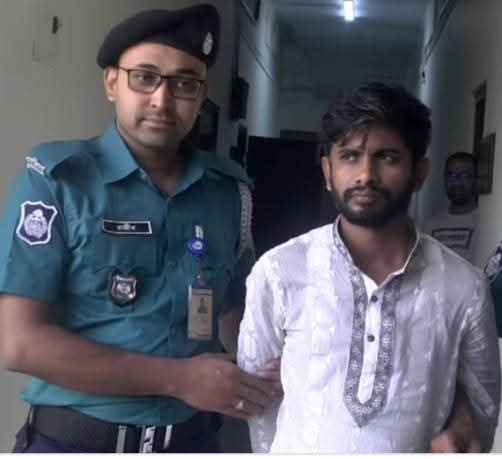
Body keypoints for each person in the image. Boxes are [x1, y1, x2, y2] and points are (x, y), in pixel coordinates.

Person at [0, 4, 279, 453]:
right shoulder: (59, 181)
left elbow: (236, 313)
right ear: (112, 82)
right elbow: (18, 343)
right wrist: (179, 379)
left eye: (184, 83)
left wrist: (274, 365)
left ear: (202, 93)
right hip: (74, 443)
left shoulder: (228, 193)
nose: (162, 101)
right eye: (144, 77)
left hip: (192, 441)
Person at [237, 82, 501, 453]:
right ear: (328, 171)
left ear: (419, 173)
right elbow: (257, 405)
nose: (366, 175)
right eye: (349, 156)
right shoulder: (279, 272)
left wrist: (461, 427)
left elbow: (483, 405)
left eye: (387, 157)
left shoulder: (464, 288)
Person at [424, 152, 478, 263]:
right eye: (451, 175)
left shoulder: (485, 224)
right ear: (444, 179)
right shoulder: (431, 224)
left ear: (475, 180)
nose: (457, 182)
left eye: (464, 176)